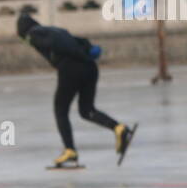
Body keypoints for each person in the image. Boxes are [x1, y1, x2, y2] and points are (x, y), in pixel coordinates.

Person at [17, 12, 134, 168]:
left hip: (71, 68)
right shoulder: (53, 29)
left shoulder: (32, 34)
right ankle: (119, 128)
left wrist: (64, 57)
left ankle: (70, 150)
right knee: (87, 110)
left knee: (60, 110)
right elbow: (76, 41)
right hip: (90, 67)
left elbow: (55, 44)